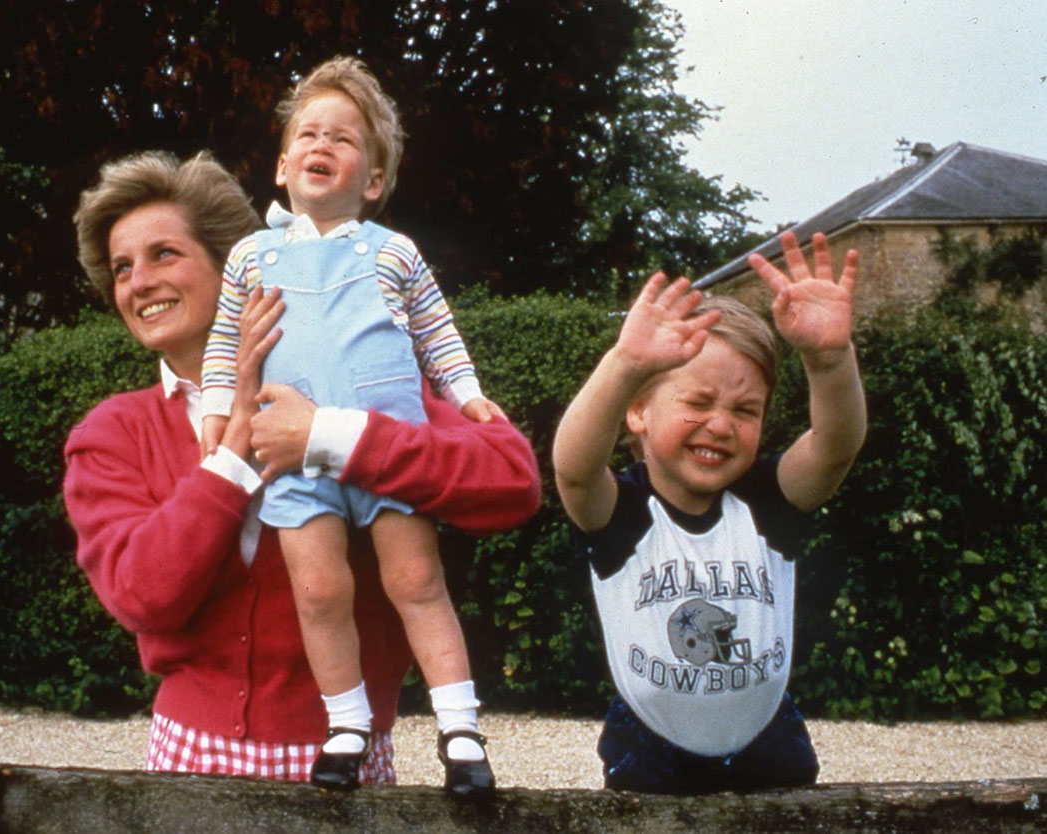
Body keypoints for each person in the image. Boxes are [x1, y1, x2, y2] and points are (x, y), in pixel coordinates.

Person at [65, 150, 540, 788]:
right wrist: (234, 448)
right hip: (189, 760)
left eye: (164, 255)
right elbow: (145, 596)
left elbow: (513, 482)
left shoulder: (364, 386)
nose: (138, 282)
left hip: (347, 766)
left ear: (235, 262)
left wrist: (330, 437)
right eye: (122, 268)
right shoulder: (113, 432)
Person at [197, 57, 503, 795]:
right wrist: (216, 410)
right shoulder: (248, 257)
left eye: (342, 137)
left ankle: (461, 730)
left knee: (416, 579)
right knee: (320, 591)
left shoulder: (394, 251)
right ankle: (346, 724)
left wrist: (468, 394)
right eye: (307, 134)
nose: (321, 144)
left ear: (371, 179)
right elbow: (224, 343)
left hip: (383, 445)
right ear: (281, 165)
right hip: (288, 452)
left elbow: (437, 332)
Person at [552, 231, 865, 793]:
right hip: (649, 745)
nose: (721, 424)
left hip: (768, 737)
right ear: (639, 410)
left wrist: (830, 359)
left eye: (746, 410)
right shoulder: (622, 513)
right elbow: (573, 468)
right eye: (697, 403)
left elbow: (835, 447)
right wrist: (624, 364)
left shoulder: (769, 500)